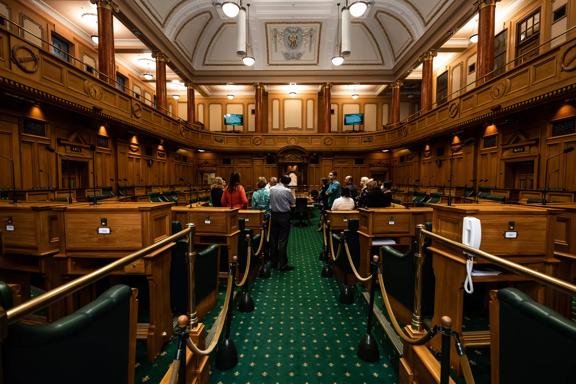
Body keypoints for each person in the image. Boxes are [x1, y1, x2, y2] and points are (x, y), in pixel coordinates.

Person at [269, 175, 295, 271]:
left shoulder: (271, 189)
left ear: (279, 180)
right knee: (283, 240)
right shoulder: (287, 191)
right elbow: (292, 202)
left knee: (273, 239)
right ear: (288, 183)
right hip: (284, 216)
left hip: (274, 215)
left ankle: (274, 262)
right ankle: (283, 264)